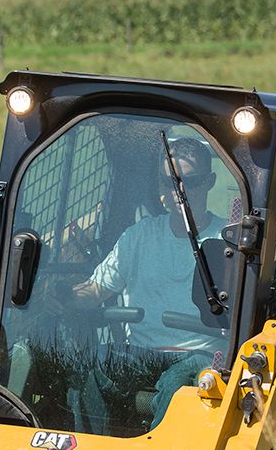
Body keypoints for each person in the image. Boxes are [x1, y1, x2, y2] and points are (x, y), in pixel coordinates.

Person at [61, 134, 228, 429]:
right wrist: (62, 296)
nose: (179, 191)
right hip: (140, 353)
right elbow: (97, 289)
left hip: (198, 355)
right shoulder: (139, 236)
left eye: (189, 181)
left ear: (210, 181)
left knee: (176, 385)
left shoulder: (228, 241)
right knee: (89, 366)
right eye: (169, 182)